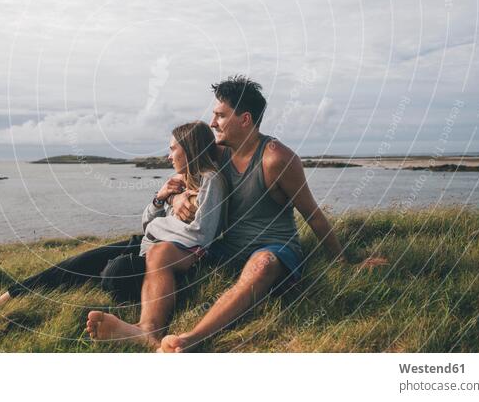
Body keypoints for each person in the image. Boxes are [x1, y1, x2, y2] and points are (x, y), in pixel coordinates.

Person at [158, 75, 387, 353]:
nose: (212, 123)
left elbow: (312, 215)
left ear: (244, 119)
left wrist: (343, 262)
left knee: (262, 265)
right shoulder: (218, 153)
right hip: (226, 247)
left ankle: (190, 339)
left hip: (273, 246)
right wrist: (177, 195)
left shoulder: (276, 159)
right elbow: (184, 176)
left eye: (220, 115)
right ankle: (146, 329)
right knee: (164, 252)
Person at [0, 122, 226, 340]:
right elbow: (146, 223)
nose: (168, 155)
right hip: (146, 243)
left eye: (173, 149)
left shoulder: (210, 180)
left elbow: (200, 233)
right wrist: (161, 198)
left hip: (169, 255)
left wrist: (158, 225)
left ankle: (130, 313)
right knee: (81, 261)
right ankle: (13, 294)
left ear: (190, 148)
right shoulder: (180, 180)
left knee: (114, 271)